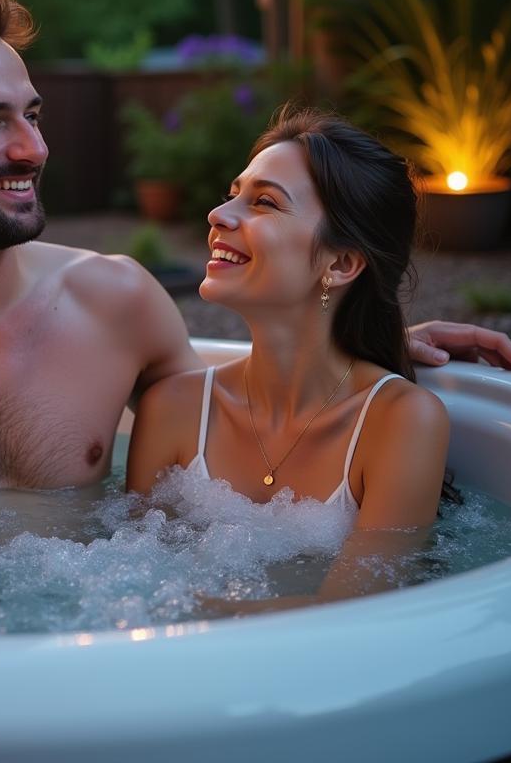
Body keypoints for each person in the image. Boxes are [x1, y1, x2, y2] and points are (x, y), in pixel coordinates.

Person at [0, 0, 511, 633]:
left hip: (101, 645)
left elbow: (248, 418)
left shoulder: (117, 300)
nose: (32, 148)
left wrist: (370, 334)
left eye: (31, 114)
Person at [125, 108, 468, 613]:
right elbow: (126, 580)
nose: (219, 215)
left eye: (263, 202)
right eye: (232, 193)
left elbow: (357, 617)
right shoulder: (173, 410)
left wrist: (195, 617)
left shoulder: (399, 421)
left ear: (341, 263)